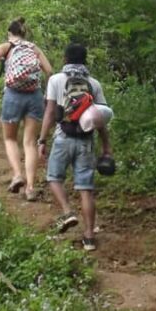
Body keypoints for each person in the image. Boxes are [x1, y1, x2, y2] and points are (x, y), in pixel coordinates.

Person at [38, 43, 113, 252]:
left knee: (54, 177)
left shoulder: (56, 80)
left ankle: (67, 212)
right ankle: (89, 237)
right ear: (85, 60)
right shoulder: (94, 84)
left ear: (65, 59)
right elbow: (100, 119)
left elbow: (50, 113)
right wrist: (106, 146)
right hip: (86, 141)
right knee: (86, 189)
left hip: (63, 137)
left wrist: (42, 140)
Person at [0, 18, 52, 201]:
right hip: (34, 95)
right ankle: (30, 187)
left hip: (13, 95)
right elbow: (49, 70)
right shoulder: (34, 48)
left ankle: (17, 175)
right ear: (24, 33)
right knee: (29, 143)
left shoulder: (7, 46)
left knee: (10, 138)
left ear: (9, 33)